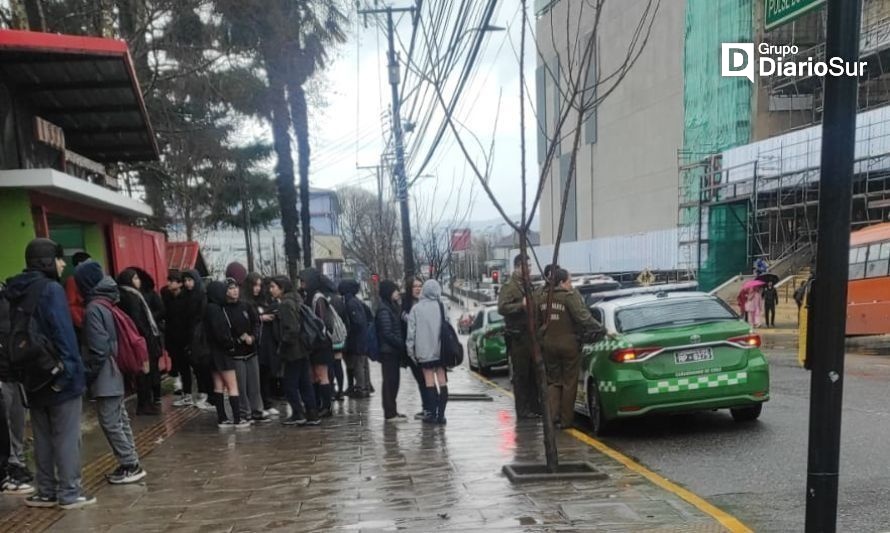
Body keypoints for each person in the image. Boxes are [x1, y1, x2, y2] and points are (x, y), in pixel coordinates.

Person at [5, 238, 94, 509]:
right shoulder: (51, 290)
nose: (62, 263)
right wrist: (72, 373)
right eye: (58, 258)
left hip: (31, 374)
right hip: (57, 373)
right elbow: (63, 333)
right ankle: (69, 492)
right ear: (46, 260)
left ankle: (46, 491)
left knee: (42, 436)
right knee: (66, 435)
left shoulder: (15, 290)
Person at [76, 261, 146, 484]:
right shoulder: (108, 302)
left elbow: (99, 348)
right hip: (116, 369)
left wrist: (88, 374)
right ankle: (131, 459)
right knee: (120, 417)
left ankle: (129, 464)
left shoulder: (94, 308)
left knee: (109, 421)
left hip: (106, 372)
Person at [537, 268, 602, 429]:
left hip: (548, 345)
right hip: (569, 345)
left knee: (554, 382)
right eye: (569, 281)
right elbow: (583, 317)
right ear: (561, 282)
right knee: (569, 383)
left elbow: (537, 321)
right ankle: (566, 421)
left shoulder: (543, 297)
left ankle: (552, 418)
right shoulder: (568, 297)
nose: (571, 285)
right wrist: (601, 329)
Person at [270, 276, 319, 426]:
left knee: (290, 384)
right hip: (303, 348)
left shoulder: (285, 304)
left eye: (273, 286)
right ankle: (312, 413)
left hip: (293, 350)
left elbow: (292, 329)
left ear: (282, 288)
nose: (270, 290)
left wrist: (283, 346)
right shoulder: (297, 299)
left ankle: (298, 413)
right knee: (305, 382)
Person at [497, 254, 541, 420]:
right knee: (521, 375)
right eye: (526, 267)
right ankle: (523, 410)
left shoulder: (528, 284)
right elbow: (502, 307)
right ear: (517, 267)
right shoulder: (510, 286)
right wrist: (520, 305)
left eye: (530, 266)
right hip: (518, 337)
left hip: (531, 335)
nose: (529, 269)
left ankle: (535, 406)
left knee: (533, 374)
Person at [0, 281, 34, 489]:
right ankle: (11, 465)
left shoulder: (8, 294)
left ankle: (18, 462)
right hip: (3, 373)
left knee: (17, 419)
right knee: (6, 424)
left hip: (15, 371)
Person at [204, 281, 251, 429]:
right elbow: (222, 334)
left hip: (211, 353)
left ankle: (222, 418)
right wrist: (230, 345)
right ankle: (237, 419)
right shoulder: (217, 310)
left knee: (218, 385)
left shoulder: (207, 308)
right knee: (232, 386)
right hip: (223, 353)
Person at [116, 269, 161, 415]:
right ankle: (144, 404)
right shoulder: (132, 296)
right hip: (142, 339)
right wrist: (147, 335)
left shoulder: (124, 295)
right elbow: (137, 319)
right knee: (145, 372)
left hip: (136, 338)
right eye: (135, 278)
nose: (138, 281)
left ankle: (145, 403)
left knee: (144, 372)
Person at [222, 278, 266, 423]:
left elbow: (256, 323)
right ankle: (244, 412)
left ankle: (257, 410)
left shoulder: (246, 305)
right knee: (240, 384)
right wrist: (239, 339)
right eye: (230, 288)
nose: (234, 291)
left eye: (236, 288)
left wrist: (253, 337)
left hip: (251, 350)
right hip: (237, 354)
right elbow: (224, 331)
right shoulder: (223, 310)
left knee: (255, 383)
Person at [406, 280, 448, 425]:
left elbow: (411, 334)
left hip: (424, 353)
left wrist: (411, 352)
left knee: (429, 383)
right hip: (440, 351)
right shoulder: (441, 306)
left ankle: (433, 414)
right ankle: (442, 415)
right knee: (442, 382)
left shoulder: (416, 309)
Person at [299, 269, 336, 418]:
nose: (302, 284)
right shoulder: (310, 296)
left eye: (303, 280)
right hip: (315, 343)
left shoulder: (317, 298)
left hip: (321, 343)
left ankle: (326, 407)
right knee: (314, 375)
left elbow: (322, 322)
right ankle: (319, 404)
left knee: (321, 374)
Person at [243, 273, 279, 417]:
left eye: (259, 285)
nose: (257, 288)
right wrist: (261, 318)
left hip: (266, 344)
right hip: (254, 344)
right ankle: (257, 405)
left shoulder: (263, 301)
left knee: (265, 374)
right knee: (256, 377)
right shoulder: (246, 302)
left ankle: (266, 402)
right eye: (254, 285)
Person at [130, 267, 164, 404]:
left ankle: (156, 395)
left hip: (152, 335)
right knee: (142, 368)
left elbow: (161, 310)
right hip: (138, 335)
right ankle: (145, 397)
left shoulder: (150, 294)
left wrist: (149, 319)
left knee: (153, 367)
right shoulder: (130, 295)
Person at [180, 270, 214, 411]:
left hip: (202, 337)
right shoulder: (186, 296)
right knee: (198, 367)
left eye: (190, 280)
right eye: (185, 280)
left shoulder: (202, 296)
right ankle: (204, 394)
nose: (188, 283)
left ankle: (211, 397)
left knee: (205, 367)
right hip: (191, 337)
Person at [376, 280, 407, 422]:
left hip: (392, 351)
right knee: (390, 382)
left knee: (394, 381)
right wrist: (401, 344)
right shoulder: (384, 309)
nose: (398, 293)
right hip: (388, 352)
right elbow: (387, 333)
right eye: (395, 290)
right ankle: (390, 413)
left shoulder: (391, 307)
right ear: (389, 292)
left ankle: (392, 410)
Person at [403, 277, 431, 419]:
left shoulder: (427, 304)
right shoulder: (405, 306)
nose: (418, 288)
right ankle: (427, 407)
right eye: (415, 286)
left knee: (427, 380)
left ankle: (429, 408)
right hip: (413, 350)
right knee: (422, 380)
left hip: (427, 348)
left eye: (420, 285)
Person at [339, 280, 371, 399]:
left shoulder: (350, 302)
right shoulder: (356, 301)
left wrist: (348, 333)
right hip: (361, 338)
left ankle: (360, 388)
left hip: (356, 340)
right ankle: (365, 387)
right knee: (362, 364)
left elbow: (356, 322)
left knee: (358, 364)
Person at [162, 271, 189, 401]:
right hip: (172, 335)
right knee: (175, 360)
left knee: (185, 364)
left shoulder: (186, 298)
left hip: (184, 335)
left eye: (171, 281)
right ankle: (179, 386)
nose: (168, 284)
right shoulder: (166, 296)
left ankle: (187, 389)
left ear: (179, 283)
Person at [325, 275, 347, 402]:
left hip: (328, 336)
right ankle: (340, 391)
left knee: (329, 365)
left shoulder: (322, 299)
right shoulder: (338, 300)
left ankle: (332, 390)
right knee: (338, 363)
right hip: (338, 337)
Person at [64, 251, 91, 337]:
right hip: (81, 323)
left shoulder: (88, 278)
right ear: (80, 264)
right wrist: (80, 323)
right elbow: (71, 305)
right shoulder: (72, 280)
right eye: (89, 263)